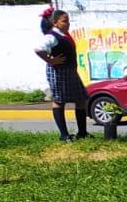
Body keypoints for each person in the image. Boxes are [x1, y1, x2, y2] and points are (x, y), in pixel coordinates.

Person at [34, 9, 104, 141]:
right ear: (55, 22)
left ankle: (82, 132)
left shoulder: (64, 34)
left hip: (70, 71)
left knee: (80, 100)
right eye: (64, 21)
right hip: (59, 72)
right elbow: (38, 48)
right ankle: (64, 135)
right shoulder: (52, 36)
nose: (68, 23)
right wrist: (51, 60)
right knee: (59, 101)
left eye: (68, 21)